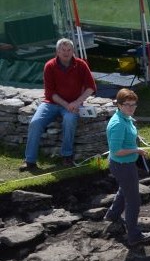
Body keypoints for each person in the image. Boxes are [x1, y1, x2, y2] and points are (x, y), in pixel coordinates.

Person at [20, 38, 96, 171]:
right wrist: (67, 105)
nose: (66, 53)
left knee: (70, 119)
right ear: (57, 51)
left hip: (74, 103)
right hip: (51, 103)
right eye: (63, 50)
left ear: (73, 51)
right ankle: (30, 161)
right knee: (35, 122)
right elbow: (50, 93)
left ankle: (67, 156)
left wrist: (77, 102)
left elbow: (91, 87)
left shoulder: (81, 64)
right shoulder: (49, 66)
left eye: (69, 50)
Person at [104, 88, 150, 247]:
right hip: (122, 165)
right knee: (133, 201)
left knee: (124, 190)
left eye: (134, 104)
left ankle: (112, 215)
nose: (131, 108)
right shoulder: (118, 124)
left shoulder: (125, 118)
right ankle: (134, 235)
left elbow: (127, 136)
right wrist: (136, 150)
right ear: (118, 105)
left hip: (125, 164)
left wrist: (136, 138)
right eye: (127, 105)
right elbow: (116, 151)